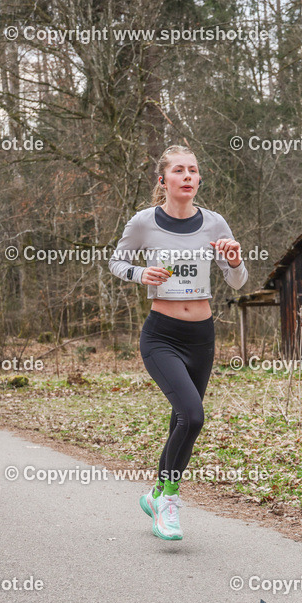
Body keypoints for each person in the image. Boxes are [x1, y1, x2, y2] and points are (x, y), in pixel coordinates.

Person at [109, 145, 249, 541]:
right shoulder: (143, 223)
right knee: (194, 415)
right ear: (163, 180)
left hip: (202, 337)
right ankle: (169, 502)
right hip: (162, 336)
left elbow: (237, 281)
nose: (188, 176)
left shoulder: (215, 223)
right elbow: (116, 262)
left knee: (181, 421)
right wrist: (141, 274)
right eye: (179, 171)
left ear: (199, 179)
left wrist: (236, 260)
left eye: (194, 170)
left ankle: (156, 493)